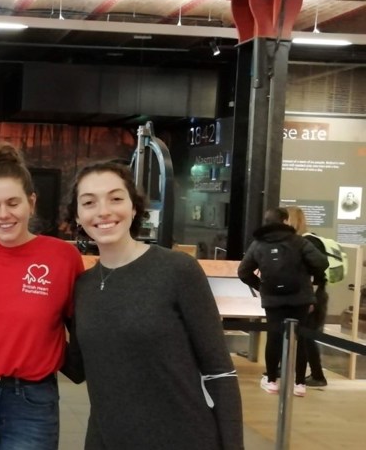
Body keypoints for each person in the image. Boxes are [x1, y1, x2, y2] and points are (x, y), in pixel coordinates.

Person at [70, 161, 243, 449]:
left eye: (115, 198)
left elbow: (219, 371)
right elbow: (77, 367)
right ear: (77, 216)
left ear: (134, 207)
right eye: (89, 202)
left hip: (181, 437)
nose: (103, 211)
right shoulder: (83, 286)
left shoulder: (177, 270)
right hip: (108, 438)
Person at [0, 143, 84, 450]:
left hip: (32, 401)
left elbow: (81, 326)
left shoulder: (63, 257)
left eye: (13, 203)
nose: (3, 214)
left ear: (31, 202)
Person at [238, 207, 328, 398]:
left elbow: (243, 272)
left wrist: (261, 286)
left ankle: (271, 381)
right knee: (301, 338)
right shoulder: (299, 241)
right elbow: (321, 262)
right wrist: (307, 273)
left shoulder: (259, 244)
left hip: (273, 300)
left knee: (274, 338)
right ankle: (300, 384)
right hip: (300, 298)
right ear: (285, 221)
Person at [285, 206, 330, 387]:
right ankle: (298, 372)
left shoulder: (309, 242)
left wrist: (310, 297)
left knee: (307, 335)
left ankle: (318, 375)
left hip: (313, 295)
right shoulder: (301, 241)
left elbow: (316, 273)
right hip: (306, 294)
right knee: (302, 334)